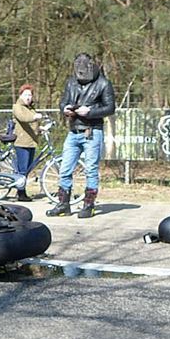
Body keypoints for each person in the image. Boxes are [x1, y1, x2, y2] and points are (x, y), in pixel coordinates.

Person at [47, 52, 115, 218]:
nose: (81, 75)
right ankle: (64, 204)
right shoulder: (71, 82)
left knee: (91, 170)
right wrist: (65, 109)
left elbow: (110, 108)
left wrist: (90, 112)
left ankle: (89, 205)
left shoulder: (104, 84)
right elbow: (63, 101)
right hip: (73, 131)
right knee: (64, 169)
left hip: (92, 131)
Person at [12, 83, 43, 202]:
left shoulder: (31, 109)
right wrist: (36, 116)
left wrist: (41, 128)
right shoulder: (17, 107)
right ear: (20, 95)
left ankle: (21, 190)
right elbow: (24, 118)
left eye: (30, 95)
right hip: (22, 142)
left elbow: (32, 125)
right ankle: (21, 193)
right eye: (26, 95)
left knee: (27, 169)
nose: (28, 97)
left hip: (31, 142)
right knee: (23, 169)